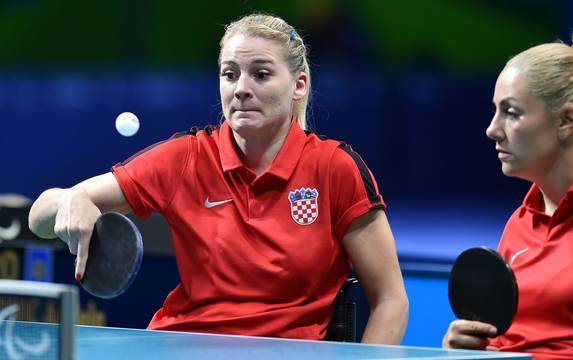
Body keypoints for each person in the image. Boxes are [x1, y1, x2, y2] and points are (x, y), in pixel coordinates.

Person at [28, 14, 408, 344]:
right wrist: (71, 201)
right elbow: (38, 216)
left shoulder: (334, 169)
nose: (241, 88)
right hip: (181, 344)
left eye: (260, 74)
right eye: (230, 74)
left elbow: (391, 298)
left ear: (299, 85)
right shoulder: (187, 158)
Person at [442, 22, 573, 359]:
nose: (492, 130)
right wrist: (469, 349)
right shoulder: (519, 224)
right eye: (495, 111)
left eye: (511, 113)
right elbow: (510, 340)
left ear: (566, 121)